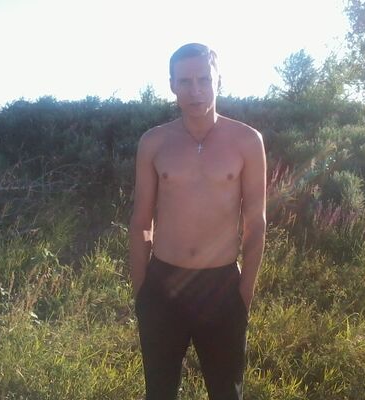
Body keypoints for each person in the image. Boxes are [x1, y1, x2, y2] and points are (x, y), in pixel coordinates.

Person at [129, 42, 266, 400]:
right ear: (172, 85)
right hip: (163, 284)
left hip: (221, 286)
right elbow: (142, 220)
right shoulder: (154, 142)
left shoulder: (247, 141)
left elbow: (256, 223)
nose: (195, 90)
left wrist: (244, 293)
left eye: (204, 79)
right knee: (159, 392)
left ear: (219, 80)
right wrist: (142, 290)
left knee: (226, 392)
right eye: (185, 81)